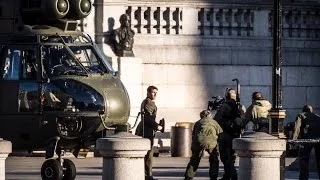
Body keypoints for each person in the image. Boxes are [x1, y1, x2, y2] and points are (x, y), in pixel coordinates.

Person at [214, 88, 245, 180]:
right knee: (231, 156)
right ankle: (227, 176)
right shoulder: (240, 107)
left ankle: (233, 175)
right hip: (236, 134)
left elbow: (217, 119)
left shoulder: (225, 106)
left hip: (225, 134)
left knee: (225, 157)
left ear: (227, 96)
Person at [184, 110, 223, 180]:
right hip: (211, 142)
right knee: (214, 159)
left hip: (199, 141)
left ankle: (188, 176)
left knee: (195, 159)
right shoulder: (214, 122)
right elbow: (220, 133)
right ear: (209, 115)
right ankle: (213, 176)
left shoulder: (198, 123)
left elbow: (194, 134)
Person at [135, 85, 162, 180]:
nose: (155, 94)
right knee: (148, 154)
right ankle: (147, 176)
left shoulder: (148, 102)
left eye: (156, 93)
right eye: (153, 92)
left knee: (147, 153)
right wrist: (157, 126)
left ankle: (146, 175)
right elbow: (147, 118)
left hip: (147, 129)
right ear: (148, 92)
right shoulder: (148, 103)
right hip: (146, 130)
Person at [292, 105, 320, 180]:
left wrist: (294, 140)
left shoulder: (301, 115)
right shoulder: (317, 116)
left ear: (303, 110)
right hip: (318, 140)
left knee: (303, 159)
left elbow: (297, 127)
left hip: (306, 140)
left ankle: (303, 178)